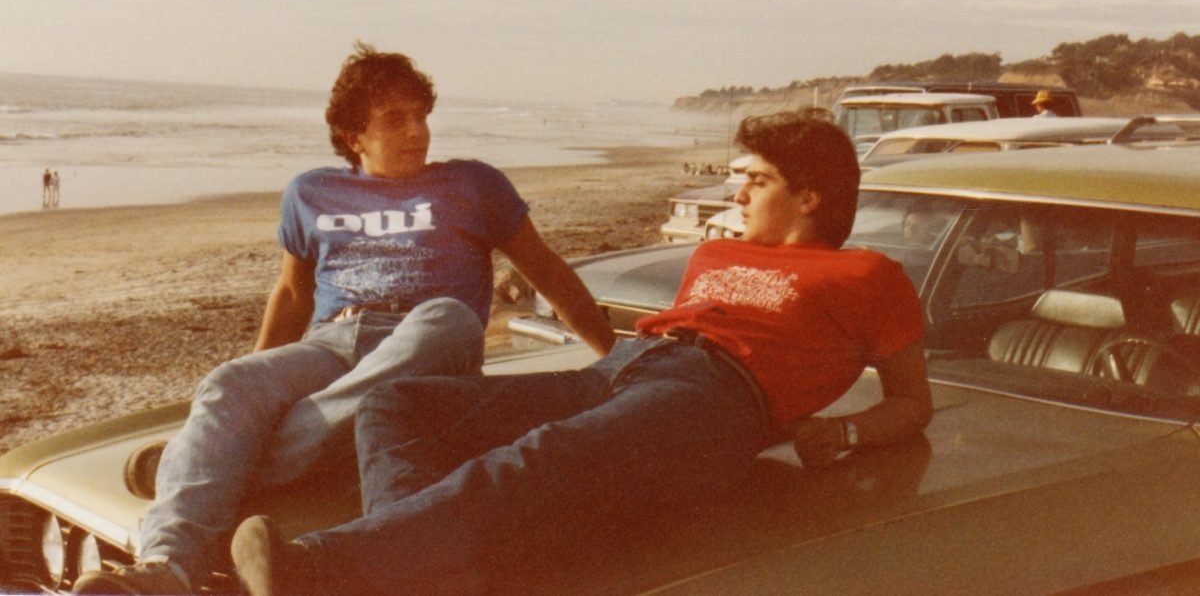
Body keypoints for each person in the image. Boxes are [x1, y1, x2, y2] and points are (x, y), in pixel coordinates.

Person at [228, 108, 933, 596]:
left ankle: (319, 571)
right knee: (398, 404)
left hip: (719, 397)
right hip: (629, 366)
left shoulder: (868, 275)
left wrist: (844, 430)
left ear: (809, 196)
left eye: (756, 179)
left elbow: (912, 402)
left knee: (542, 458)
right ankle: (415, 568)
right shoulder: (716, 251)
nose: (737, 189)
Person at [74, 43, 613, 595]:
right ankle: (168, 568)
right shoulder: (310, 192)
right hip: (334, 343)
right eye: (396, 119)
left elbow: (546, 269)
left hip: (425, 347)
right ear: (355, 137)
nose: (418, 132)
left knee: (448, 317)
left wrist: (612, 357)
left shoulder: (474, 185)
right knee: (228, 383)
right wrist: (253, 393)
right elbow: (291, 294)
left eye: (422, 116)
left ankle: (206, 462)